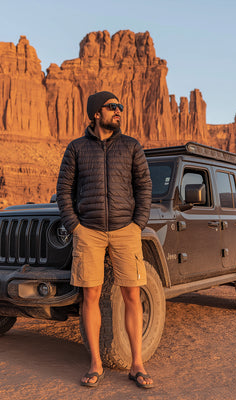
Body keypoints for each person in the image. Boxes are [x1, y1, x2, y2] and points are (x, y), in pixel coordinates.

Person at [55, 91, 154, 389]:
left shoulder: (131, 146)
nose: (119, 111)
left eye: (120, 107)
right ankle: (95, 363)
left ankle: (137, 363)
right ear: (96, 113)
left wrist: (138, 224)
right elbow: (64, 191)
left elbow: (144, 186)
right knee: (91, 295)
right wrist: (75, 227)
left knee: (132, 294)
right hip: (89, 232)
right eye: (113, 107)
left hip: (126, 230)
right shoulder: (76, 149)